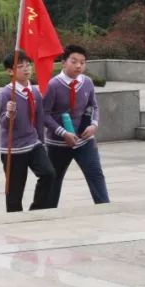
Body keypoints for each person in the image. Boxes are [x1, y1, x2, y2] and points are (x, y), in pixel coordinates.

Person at [43, 45, 109, 206]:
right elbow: (44, 114)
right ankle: (47, 213)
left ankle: (105, 208)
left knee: (95, 174)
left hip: (84, 140)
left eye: (82, 62)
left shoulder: (87, 82)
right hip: (58, 143)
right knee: (54, 180)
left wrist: (93, 125)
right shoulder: (53, 85)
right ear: (63, 62)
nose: (79, 66)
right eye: (74, 61)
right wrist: (62, 132)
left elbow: (94, 106)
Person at [0, 51, 56, 212]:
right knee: (14, 191)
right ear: (10, 71)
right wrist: (10, 113)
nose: (26, 69)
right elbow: (4, 123)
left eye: (28, 65)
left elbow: (39, 120)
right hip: (13, 147)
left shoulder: (35, 92)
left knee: (48, 174)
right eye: (20, 66)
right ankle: (15, 220)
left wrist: (41, 142)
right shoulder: (6, 93)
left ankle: (36, 209)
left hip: (33, 143)